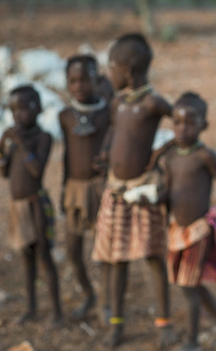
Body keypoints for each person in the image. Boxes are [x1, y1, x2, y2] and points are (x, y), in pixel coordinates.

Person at [90, 33, 175, 347]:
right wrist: (104, 155)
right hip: (116, 191)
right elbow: (114, 133)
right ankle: (116, 323)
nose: (108, 73)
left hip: (142, 192)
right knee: (116, 259)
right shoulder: (118, 102)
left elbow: (180, 120)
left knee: (153, 257)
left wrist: (161, 153)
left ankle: (164, 323)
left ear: (126, 69)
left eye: (111, 66)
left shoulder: (153, 102)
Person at [153, 92, 216, 350]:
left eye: (190, 123)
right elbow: (166, 191)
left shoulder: (205, 156)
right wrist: (156, 195)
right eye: (177, 122)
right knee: (188, 282)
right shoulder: (169, 157)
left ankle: (192, 341)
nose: (182, 129)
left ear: (203, 125)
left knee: (188, 285)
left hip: (199, 231)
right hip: (177, 231)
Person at [0, 85, 63, 325]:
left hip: (37, 205)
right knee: (27, 260)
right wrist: (2, 147)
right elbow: (5, 173)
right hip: (18, 207)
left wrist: (19, 141)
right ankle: (31, 308)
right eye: (14, 109)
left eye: (24, 108)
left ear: (38, 109)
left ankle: (56, 311)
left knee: (44, 257)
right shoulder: (15, 141)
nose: (18, 114)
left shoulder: (42, 138)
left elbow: (36, 170)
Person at [59, 54, 111, 319]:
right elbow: (67, 155)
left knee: (102, 250)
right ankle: (88, 293)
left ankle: (105, 302)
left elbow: (114, 145)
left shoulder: (107, 113)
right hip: (75, 190)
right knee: (72, 250)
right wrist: (63, 191)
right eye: (73, 81)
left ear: (96, 80)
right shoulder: (65, 116)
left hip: (101, 188)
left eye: (85, 80)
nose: (79, 86)